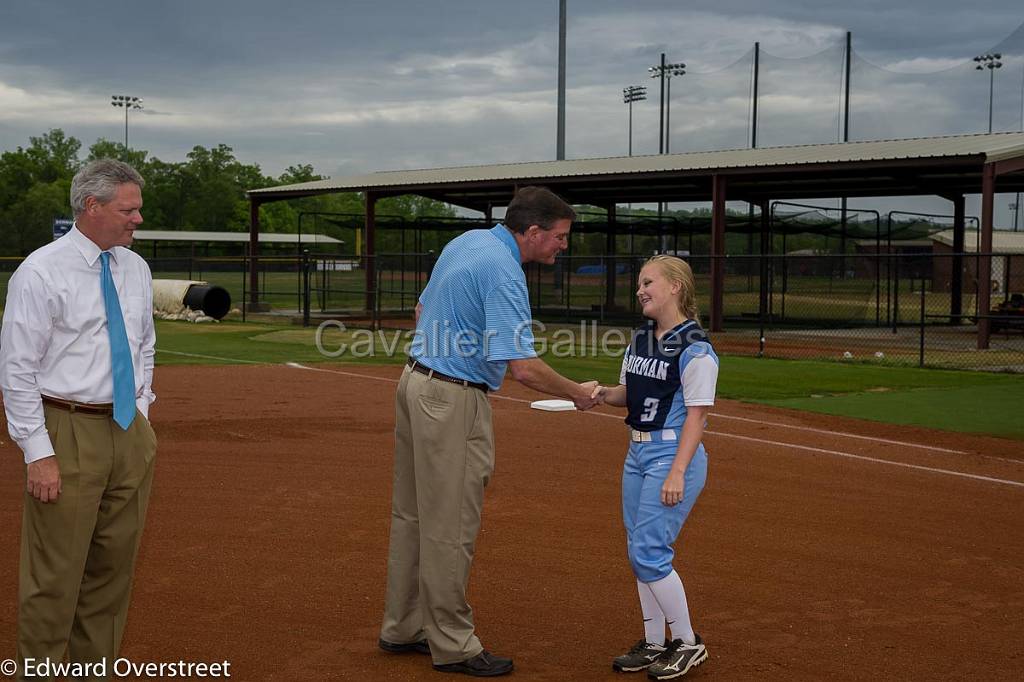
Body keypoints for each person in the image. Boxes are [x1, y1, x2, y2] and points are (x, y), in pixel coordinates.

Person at [379, 186, 602, 677]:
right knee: (451, 525)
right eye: (560, 237)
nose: (564, 245)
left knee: (412, 516)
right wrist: (577, 393)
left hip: (415, 382)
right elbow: (522, 367)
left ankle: (402, 625)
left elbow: (421, 312)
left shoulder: (468, 242)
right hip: (451, 399)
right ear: (534, 231)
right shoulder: (503, 271)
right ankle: (454, 643)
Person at [0, 159, 157, 679]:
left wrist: (143, 411)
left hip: (127, 430)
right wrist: (38, 453)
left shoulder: (135, 268)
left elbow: (143, 346)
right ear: (92, 207)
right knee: (56, 576)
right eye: (128, 209)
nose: (138, 219)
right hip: (65, 431)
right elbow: (17, 369)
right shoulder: (41, 270)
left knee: (112, 573)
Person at [597, 255, 718, 680]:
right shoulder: (641, 340)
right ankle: (653, 643)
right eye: (639, 283)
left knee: (650, 553)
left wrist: (678, 471)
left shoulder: (695, 348)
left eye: (648, 282)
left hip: (671, 456)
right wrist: (598, 394)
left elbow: (696, 417)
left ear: (675, 288)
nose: (640, 289)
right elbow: (628, 395)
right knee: (638, 552)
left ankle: (687, 643)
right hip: (638, 455)